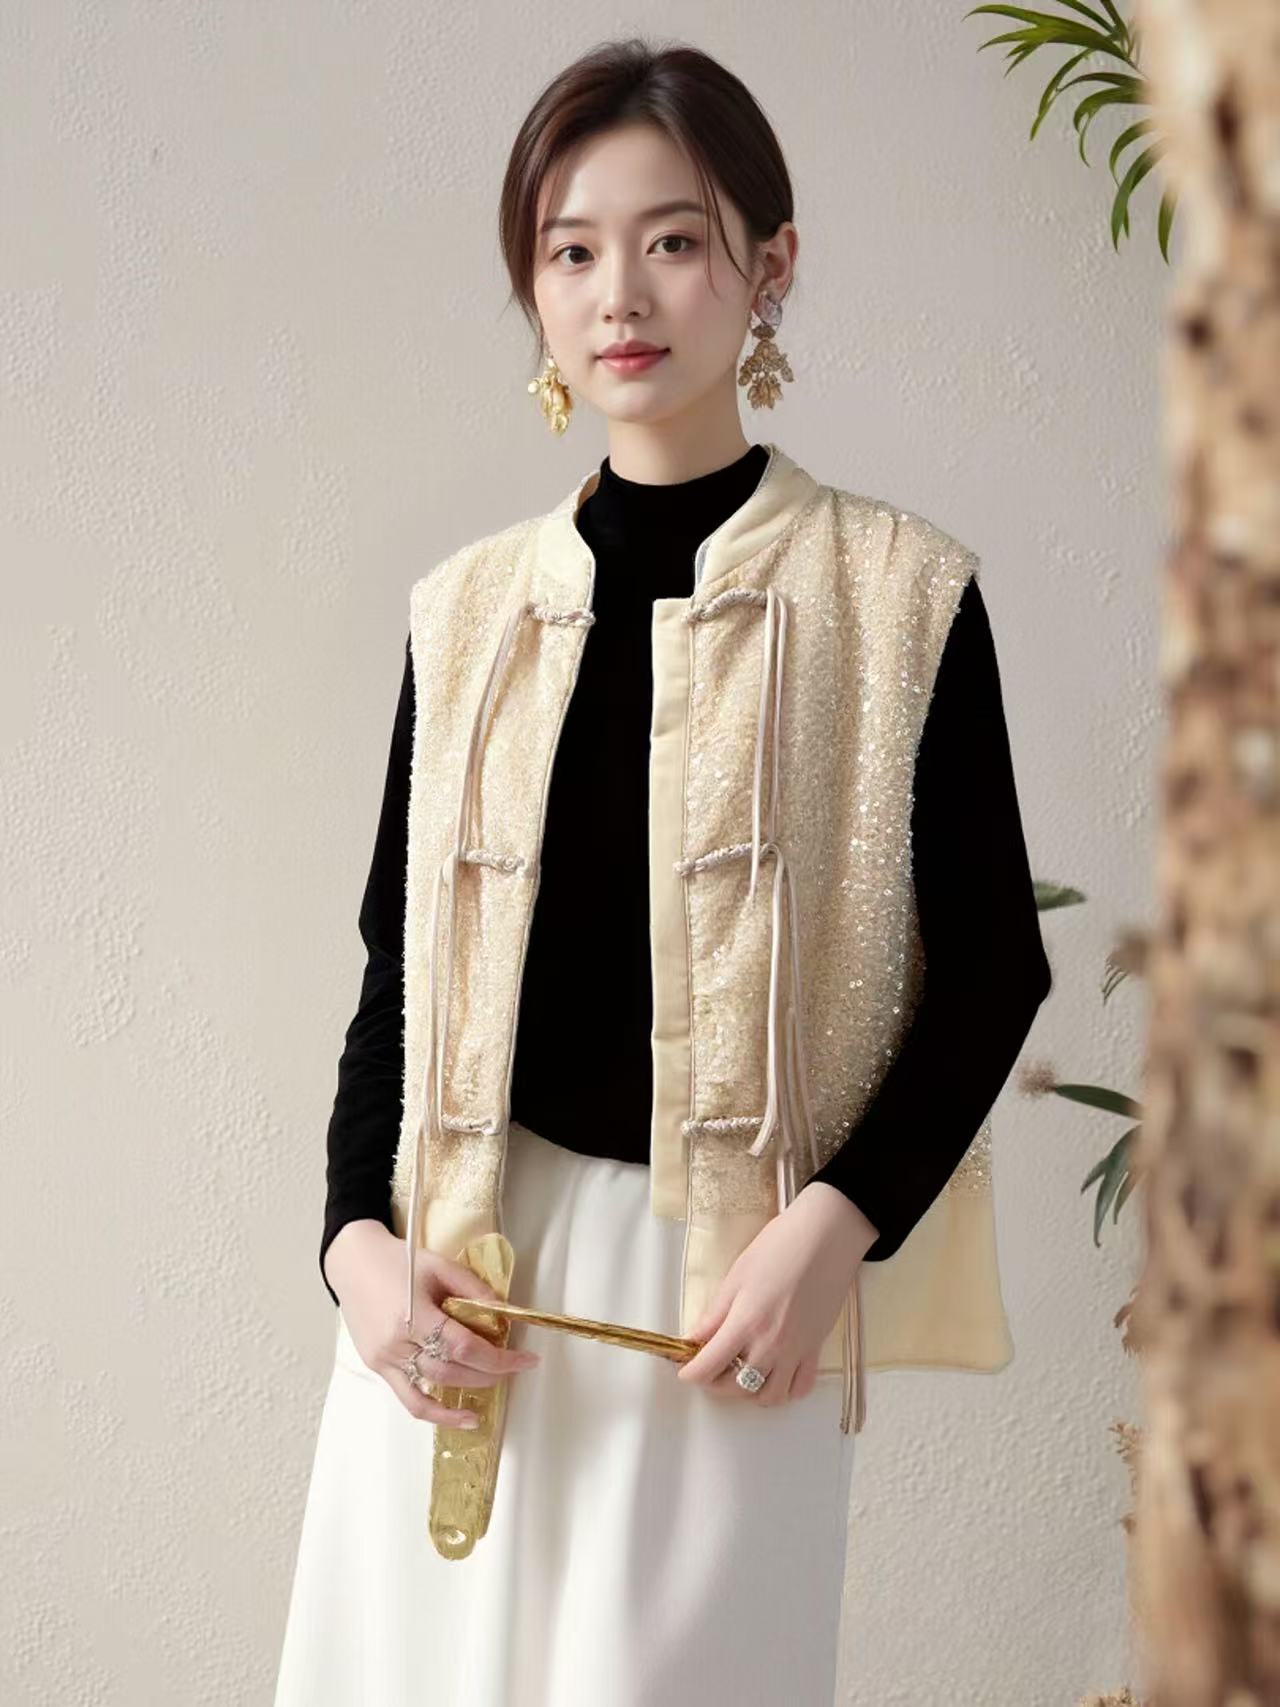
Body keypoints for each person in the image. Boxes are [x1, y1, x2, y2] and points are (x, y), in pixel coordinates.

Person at [274, 36, 1052, 1707]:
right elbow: (396, 979)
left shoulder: (898, 596)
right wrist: (356, 1257)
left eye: (674, 240)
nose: (618, 294)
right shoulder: (465, 613)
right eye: (570, 251)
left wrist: (832, 1232)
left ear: (770, 267)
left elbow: (997, 971)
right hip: (452, 1290)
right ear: (534, 291)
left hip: (725, 1303)